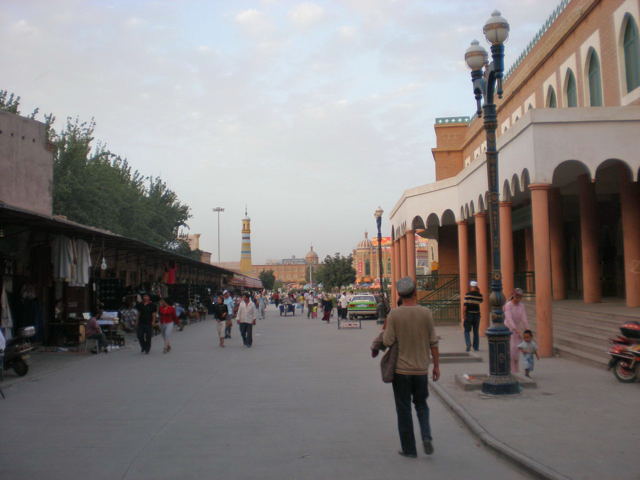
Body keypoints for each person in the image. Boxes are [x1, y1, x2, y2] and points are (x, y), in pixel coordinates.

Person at [383, 277, 439, 458]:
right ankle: (426, 436)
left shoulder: (394, 314)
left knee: (404, 409)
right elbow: (433, 342)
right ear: (415, 293)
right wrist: (436, 366)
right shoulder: (426, 313)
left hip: (401, 371)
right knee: (422, 405)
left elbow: (387, 341)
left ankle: (409, 449)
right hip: (421, 370)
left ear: (399, 294)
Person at [504, 288, 530, 373]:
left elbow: (524, 317)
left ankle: (516, 370)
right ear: (513, 296)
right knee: (511, 351)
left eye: (520, 297)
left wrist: (527, 328)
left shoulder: (521, 305)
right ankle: (512, 371)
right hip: (508, 329)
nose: (518, 299)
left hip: (517, 330)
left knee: (517, 350)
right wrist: (515, 329)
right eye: (516, 297)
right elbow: (509, 318)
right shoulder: (508, 305)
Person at [463, 280, 483, 352]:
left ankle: (468, 345)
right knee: (476, 331)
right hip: (477, 315)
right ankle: (476, 347)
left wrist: (464, 315)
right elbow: (481, 301)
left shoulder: (468, 294)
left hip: (469, 314)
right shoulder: (479, 295)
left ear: (471, 286)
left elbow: (465, 306)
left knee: (466, 331)